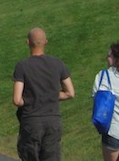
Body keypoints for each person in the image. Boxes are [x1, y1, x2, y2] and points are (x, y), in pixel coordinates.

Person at [12, 28, 75, 161]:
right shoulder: (58, 63)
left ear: (28, 42)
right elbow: (70, 92)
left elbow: (17, 100)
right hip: (52, 120)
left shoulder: (22, 66)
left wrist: (30, 98)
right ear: (45, 42)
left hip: (32, 121)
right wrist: (50, 94)